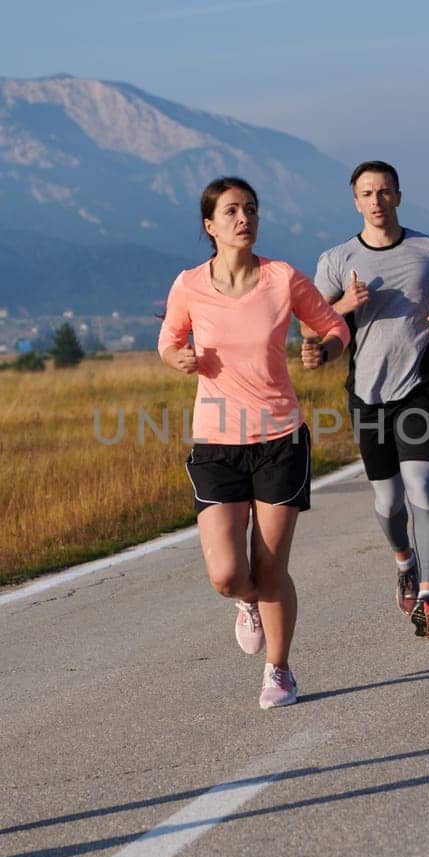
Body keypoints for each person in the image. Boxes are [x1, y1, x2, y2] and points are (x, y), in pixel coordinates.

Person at [158, 177, 349, 709]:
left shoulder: (282, 278)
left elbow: (334, 326)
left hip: (279, 438)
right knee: (227, 575)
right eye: (232, 211)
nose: (244, 218)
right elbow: (168, 341)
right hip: (216, 441)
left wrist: (325, 352)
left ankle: (279, 671)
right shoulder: (189, 285)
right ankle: (246, 604)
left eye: (251, 209)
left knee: (270, 569)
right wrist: (178, 358)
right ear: (210, 225)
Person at [309, 160, 429, 639]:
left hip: (418, 390)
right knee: (387, 499)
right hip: (367, 395)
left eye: (384, 192)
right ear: (355, 201)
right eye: (367, 193)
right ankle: (403, 559)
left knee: (423, 488)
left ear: (398, 196)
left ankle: (428, 594)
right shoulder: (336, 260)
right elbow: (314, 326)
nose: (376, 201)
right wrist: (345, 306)